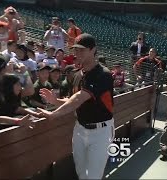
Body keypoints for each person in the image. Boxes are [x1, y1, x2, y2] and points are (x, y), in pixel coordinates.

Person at [36, 33, 115, 179]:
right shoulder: (78, 74)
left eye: (82, 49)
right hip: (80, 128)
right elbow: (73, 99)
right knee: (80, 171)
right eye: (75, 49)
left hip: (101, 132)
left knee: (93, 176)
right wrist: (56, 101)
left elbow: (79, 98)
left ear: (93, 50)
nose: (77, 53)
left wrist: (54, 114)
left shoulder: (103, 74)